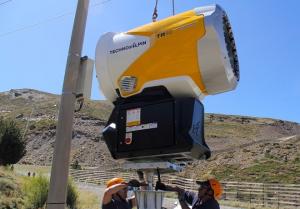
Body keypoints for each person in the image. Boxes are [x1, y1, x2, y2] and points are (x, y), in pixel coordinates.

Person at [156, 177, 222, 209]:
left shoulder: (212, 206)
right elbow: (180, 190)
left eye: (202, 187)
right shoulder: (197, 198)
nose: (199, 189)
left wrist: (181, 200)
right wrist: (164, 187)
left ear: (210, 192)